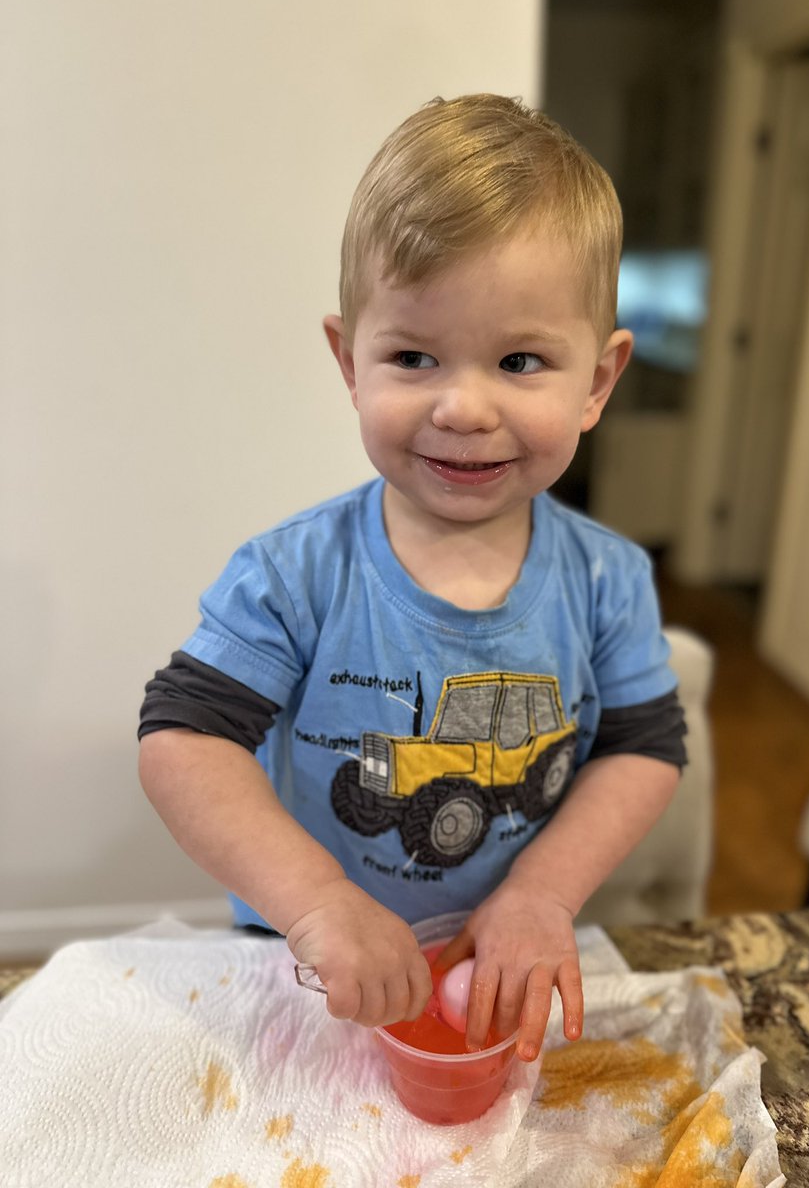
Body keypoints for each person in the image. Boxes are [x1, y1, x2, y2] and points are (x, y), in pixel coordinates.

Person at [138, 93, 686, 1063]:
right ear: (352, 362)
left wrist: (542, 894)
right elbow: (184, 740)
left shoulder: (607, 579)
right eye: (414, 357)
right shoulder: (292, 572)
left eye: (520, 360)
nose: (463, 407)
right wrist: (318, 904)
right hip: (308, 957)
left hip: (510, 952)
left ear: (597, 381)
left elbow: (643, 748)